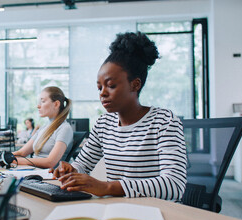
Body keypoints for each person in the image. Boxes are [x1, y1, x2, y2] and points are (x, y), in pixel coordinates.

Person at [51, 32, 187, 201]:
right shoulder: (104, 124)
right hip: (118, 210)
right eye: (99, 87)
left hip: (158, 213)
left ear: (135, 84)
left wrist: (108, 187)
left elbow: (174, 185)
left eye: (111, 85)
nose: (103, 94)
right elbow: (83, 164)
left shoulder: (164, 122)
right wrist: (71, 170)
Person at [12, 86, 73, 169]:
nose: (38, 106)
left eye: (43, 101)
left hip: (47, 175)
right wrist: (0, 157)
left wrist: (15, 161)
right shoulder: (44, 127)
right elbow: (22, 152)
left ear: (56, 104)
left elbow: (50, 162)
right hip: (33, 170)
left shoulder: (64, 128)